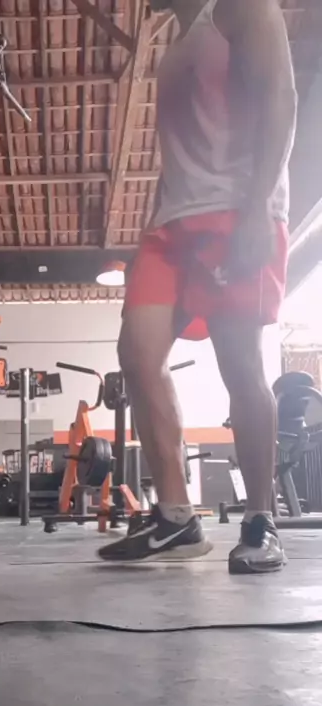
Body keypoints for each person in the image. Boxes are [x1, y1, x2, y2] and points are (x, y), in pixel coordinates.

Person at [99, 0, 298, 573]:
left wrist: (258, 208)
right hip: (173, 223)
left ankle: (260, 521)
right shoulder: (178, 40)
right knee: (138, 355)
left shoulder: (241, 9)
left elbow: (281, 99)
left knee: (240, 365)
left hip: (236, 210)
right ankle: (176, 517)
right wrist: (154, 218)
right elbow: (182, 149)